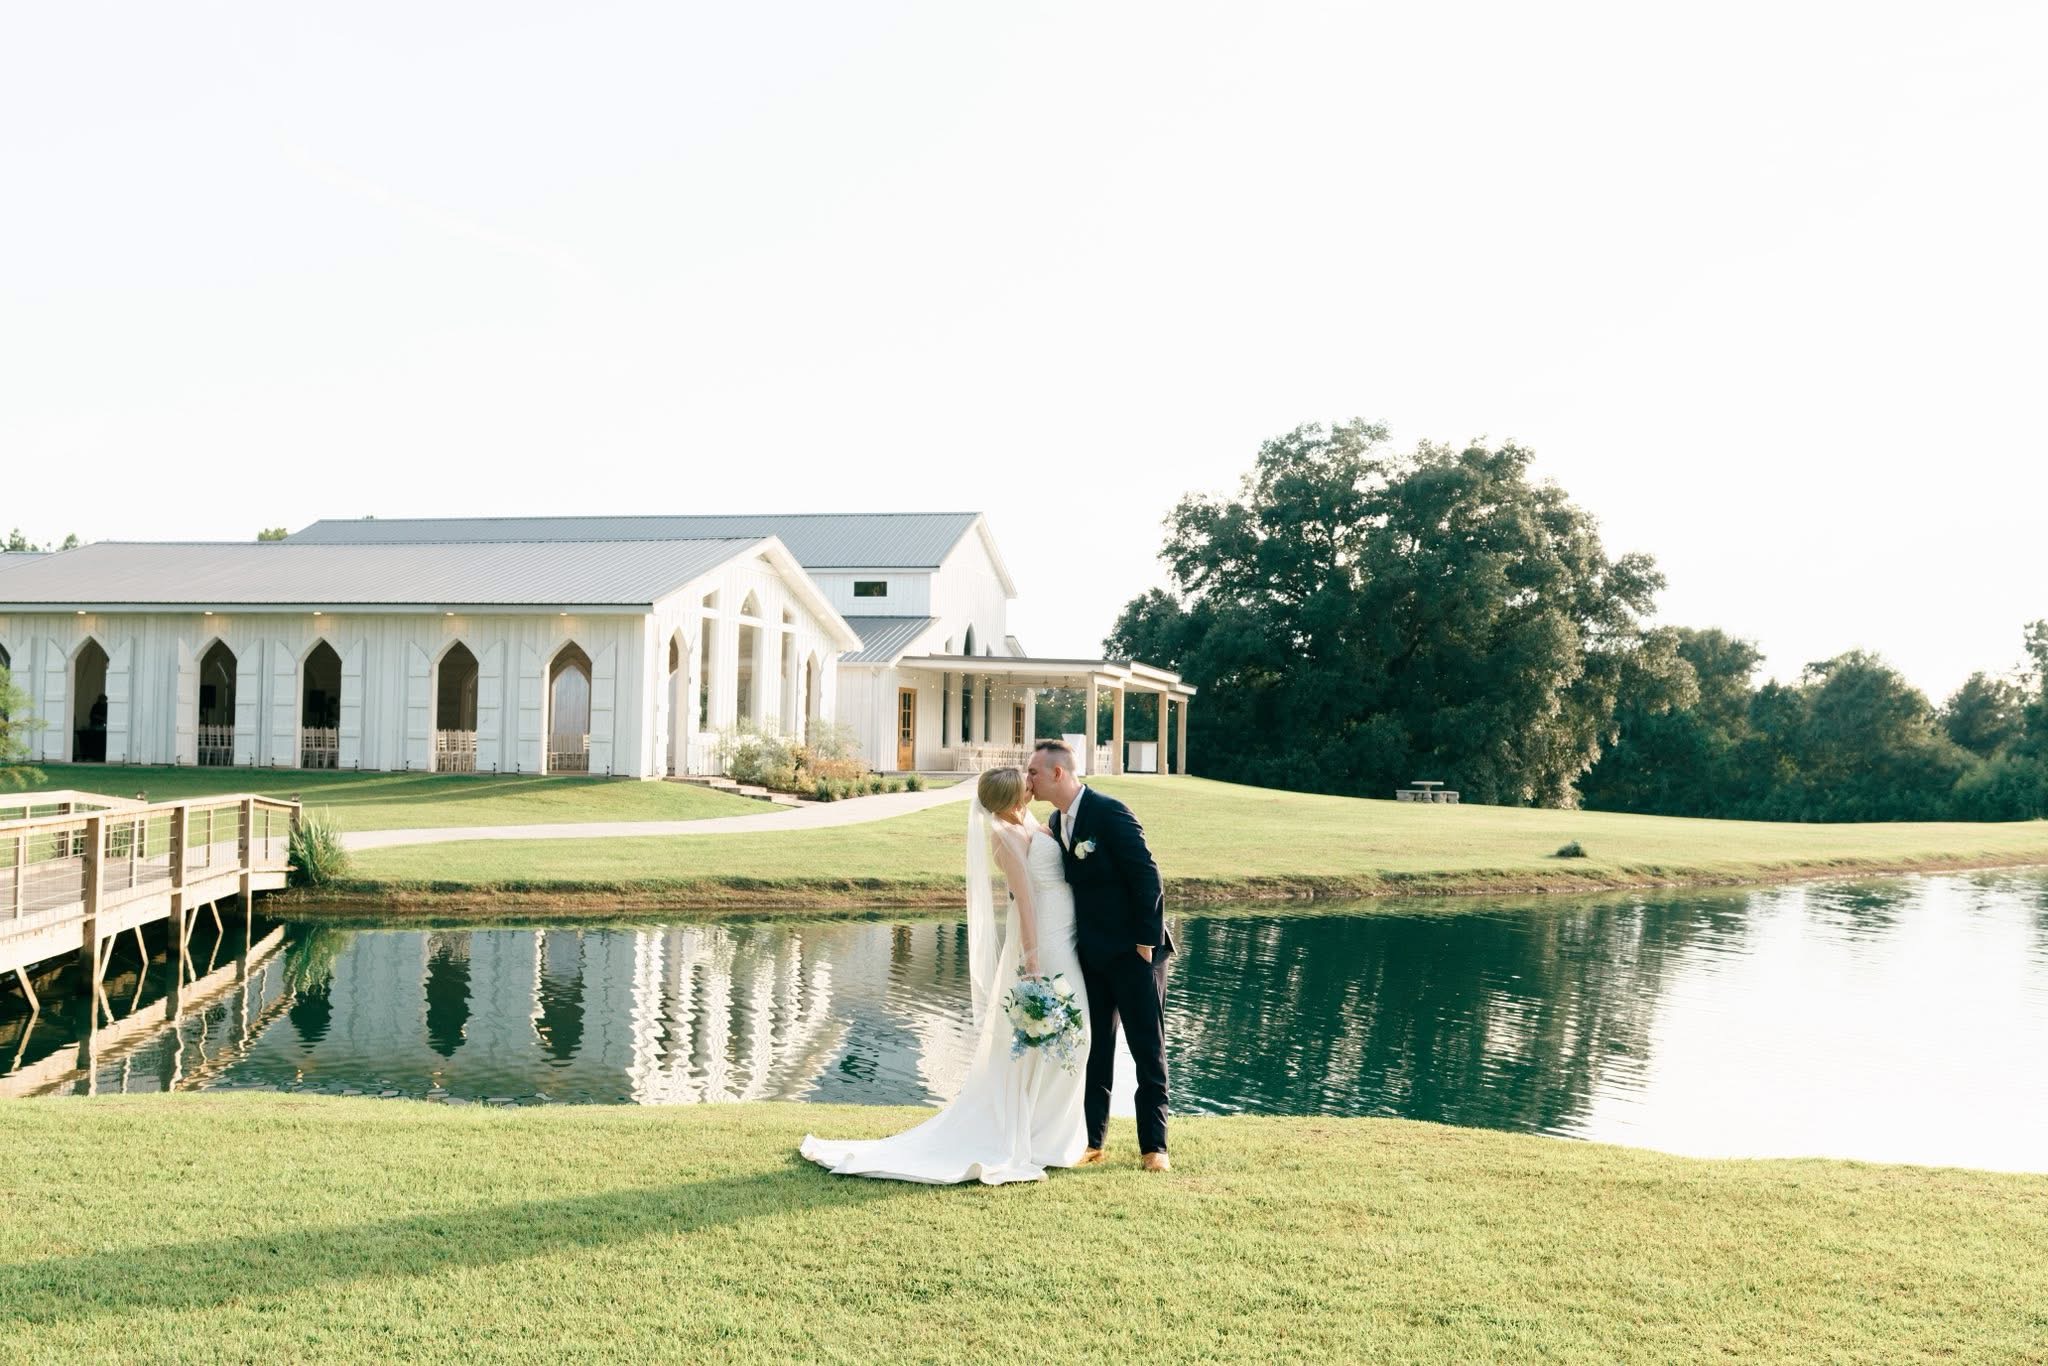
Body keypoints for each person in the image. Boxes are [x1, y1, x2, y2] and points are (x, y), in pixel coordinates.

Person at [799, 766, 1090, 1184]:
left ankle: (1048, 1133)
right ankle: (1038, 1137)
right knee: (1052, 1038)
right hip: (1040, 945)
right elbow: (1024, 902)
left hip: (1062, 934)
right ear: (1011, 798)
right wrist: (1032, 961)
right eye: (1024, 781)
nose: (1031, 781)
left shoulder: (1026, 821)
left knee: (1065, 1040)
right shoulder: (1004, 837)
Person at [1025, 738, 1174, 1172]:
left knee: (1148, 1049)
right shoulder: (1057, 819)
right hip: (1090, 955)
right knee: (1096, 1049)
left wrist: (1145, 941)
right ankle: (1092, 1140)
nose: (1028, 778)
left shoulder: (1109, 811)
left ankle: (1155, 1147)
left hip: (1136, 953)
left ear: (1057, 773)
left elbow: (1147, 874)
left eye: (1033, 771)